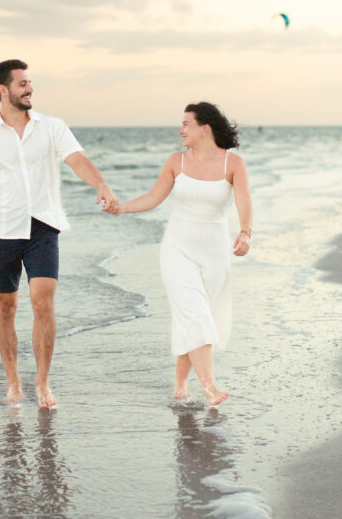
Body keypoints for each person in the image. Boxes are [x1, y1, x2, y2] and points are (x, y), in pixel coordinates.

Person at [0, 59, 118, 409]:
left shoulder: (52, 127)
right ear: (3, 90)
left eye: (30, 83)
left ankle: (43, 382)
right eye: (22, 84)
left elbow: (77, 159)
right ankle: (13, 380)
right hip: (0, 231)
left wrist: (102, 184)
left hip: (43, 225)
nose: (30, 88)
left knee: (42, 301)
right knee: (5, 306)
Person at [106, 102, 253, 407]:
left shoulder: (233, 164)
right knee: (195, 313)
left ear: (205, 129)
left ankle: (180, 380)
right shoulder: (177, 162)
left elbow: (244, 203)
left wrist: (245, 232)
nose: (180, 130)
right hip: (178, 250)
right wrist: (122, 206)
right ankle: (210, 387)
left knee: (196, 316)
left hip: (214, 252)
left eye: (186, 124)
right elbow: (153, 197)